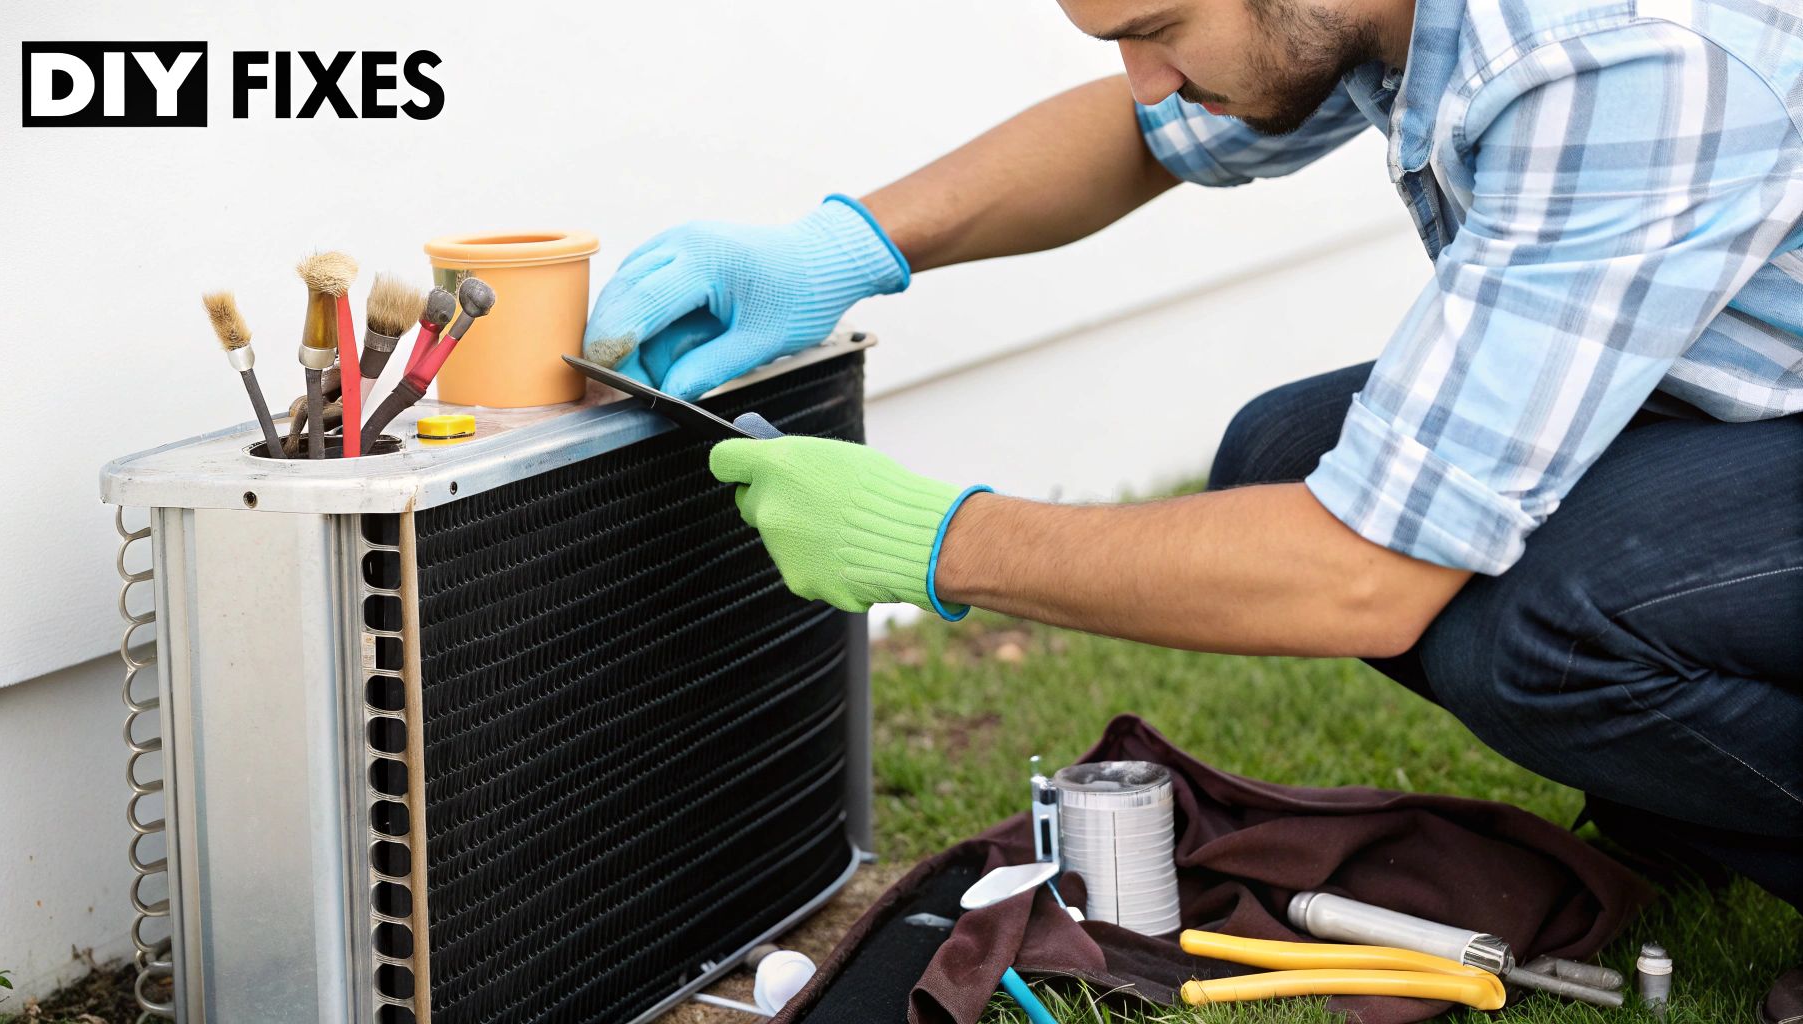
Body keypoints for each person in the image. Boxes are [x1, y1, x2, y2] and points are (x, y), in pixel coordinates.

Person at [583, 0, 1803, 1015]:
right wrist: (841, 247)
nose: (1144, 76)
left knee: (1534, 623)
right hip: (1746, 393)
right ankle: (1695, 807)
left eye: (1157, 26)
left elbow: (1363, 571)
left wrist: (943, 540)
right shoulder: (1376, 18)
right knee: (1284, 455)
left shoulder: (1621, 58)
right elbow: (1150, 129)